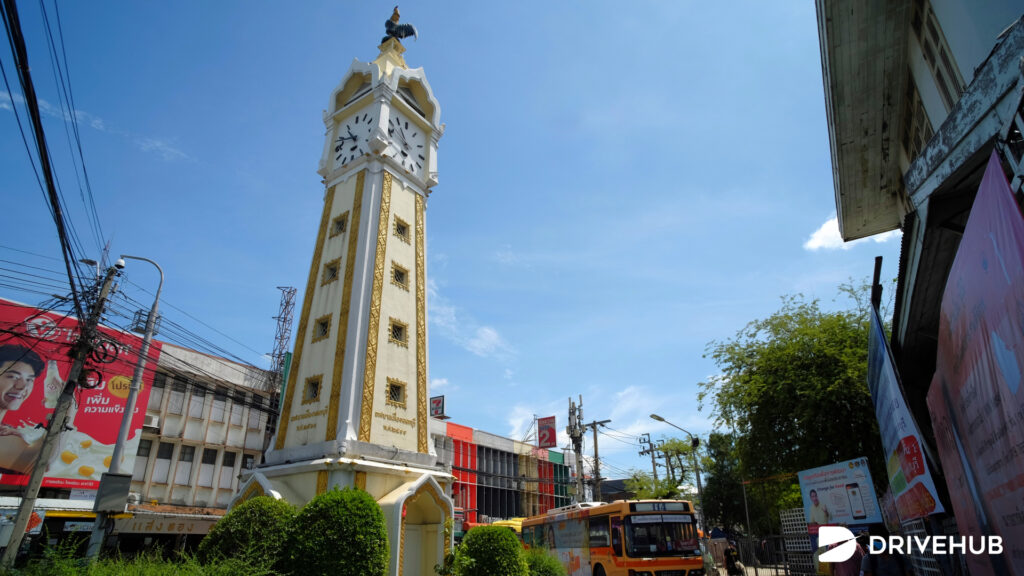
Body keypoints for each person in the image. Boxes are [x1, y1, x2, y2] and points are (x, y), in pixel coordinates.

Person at [0, 345, 47, 473]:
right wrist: (69, 407)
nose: (22, 386)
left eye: (29, 380)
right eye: (13, 377)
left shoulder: (7, 430)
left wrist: (27, 437)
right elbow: (41, 464)